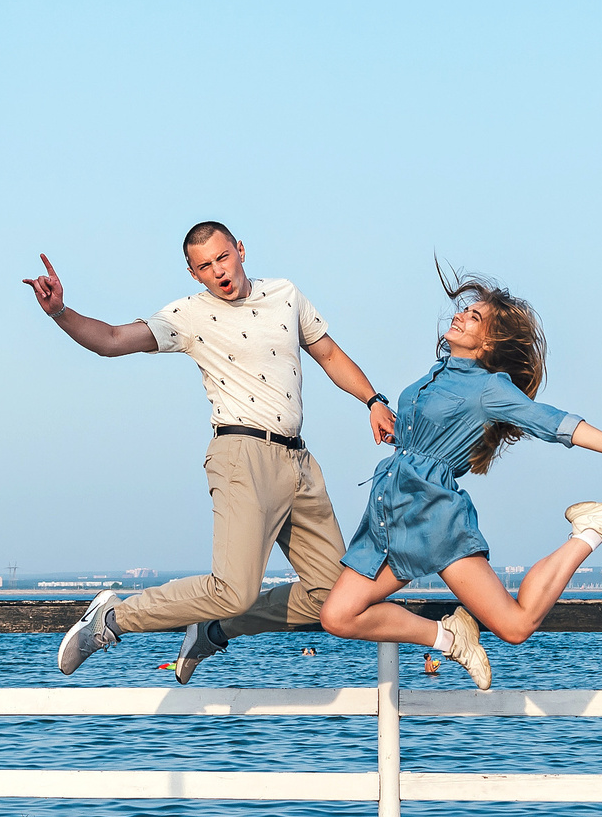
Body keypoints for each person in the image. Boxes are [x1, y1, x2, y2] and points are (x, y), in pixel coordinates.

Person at [29, 223, 397, 683]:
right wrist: (60, 311)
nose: (219, 271)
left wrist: (373, 400)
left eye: (223, 258)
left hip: (299, 462)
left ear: (240, 250)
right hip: (241, 455)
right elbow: (112, 340)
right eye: (205, 266)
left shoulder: (285, 294)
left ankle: (216, 629)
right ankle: (113, 619)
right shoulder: (190, 315)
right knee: (232, 588)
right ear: (193, 274)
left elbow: (328, 354)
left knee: (332, 598)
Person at [317, 272, 602, 688]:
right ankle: (449, 639)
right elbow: (429, 428)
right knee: (338, 616)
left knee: (515, 626)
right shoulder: (436, 374)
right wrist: (389, 419)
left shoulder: (489, 387)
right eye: (465, 309)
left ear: (488, 345)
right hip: (391, 512)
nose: (461, 316)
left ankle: (589, 531)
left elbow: (551, 423)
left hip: (431, 516)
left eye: (475, 318)